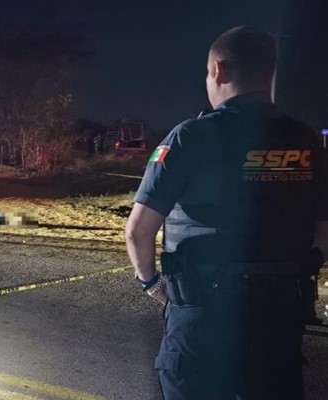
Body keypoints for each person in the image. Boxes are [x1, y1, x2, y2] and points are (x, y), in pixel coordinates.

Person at [125, 26, 328, 400]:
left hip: (202, 313)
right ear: (270, 73)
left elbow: (138, 231)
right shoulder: (305, 140)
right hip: (278, 316)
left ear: (217, 71)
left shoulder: (188, 137)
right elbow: (323, 228)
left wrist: (152, 284)